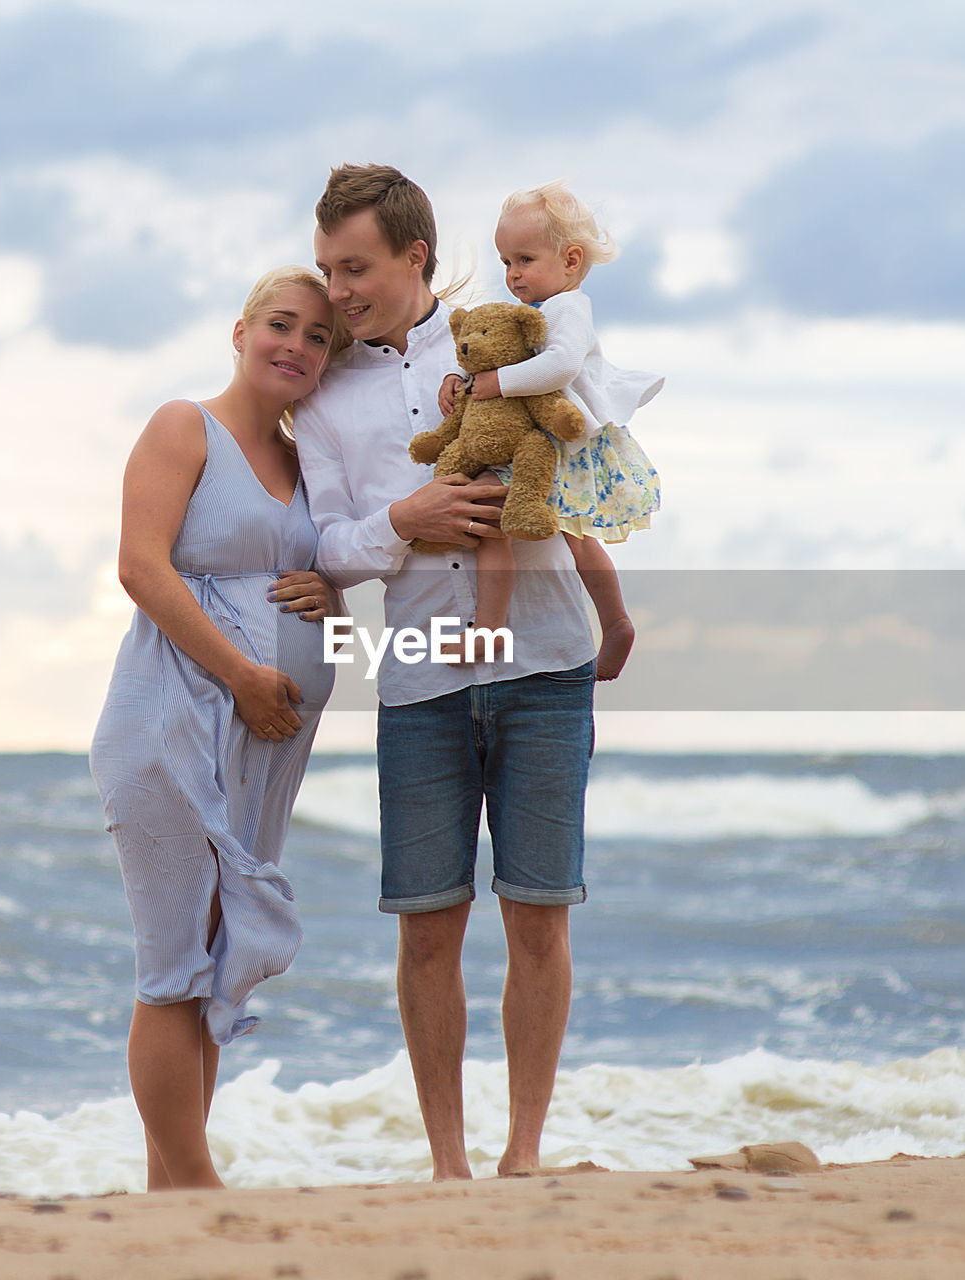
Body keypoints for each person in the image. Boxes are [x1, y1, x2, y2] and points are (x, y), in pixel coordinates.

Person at [293, 163, 596, 1181]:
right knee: (427, 925)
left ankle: (522, 1153)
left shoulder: (510, 339)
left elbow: (586, 465)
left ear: (414, 258)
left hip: (546, 655)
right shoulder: (326, 398)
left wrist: (618, 604)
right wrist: (401, 523)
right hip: (419, 676)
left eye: (356, 266)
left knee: (539, 912)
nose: (337, 289)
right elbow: (325, 541)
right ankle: (449, 1163)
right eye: (329, 267)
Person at [90, 266, 348, 1191]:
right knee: (173, 965)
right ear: (239, 332)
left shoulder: (304, 461)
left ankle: (174, 1193)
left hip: (263, 743)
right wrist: (241, 674)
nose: (297, 346)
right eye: (281, 325)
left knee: (215, 953)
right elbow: (141, 568)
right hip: (174, 718)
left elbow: (317, 579)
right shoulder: (182, 426)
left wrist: (332, 593)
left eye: (319, 338)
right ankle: (196, 1189)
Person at [437, 181, 663, 679]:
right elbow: (500, 354)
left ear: (570, 260)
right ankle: (615, 621)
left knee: (503, 519)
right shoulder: (532, 313)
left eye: (524, 259)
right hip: (539, 438)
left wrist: (491, 385)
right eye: (506, 263)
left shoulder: (567, 309)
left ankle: (492, 630)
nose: (513, 274)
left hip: (565, 440)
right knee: (574, 537)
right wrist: (465, 378)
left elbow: (558, 367)